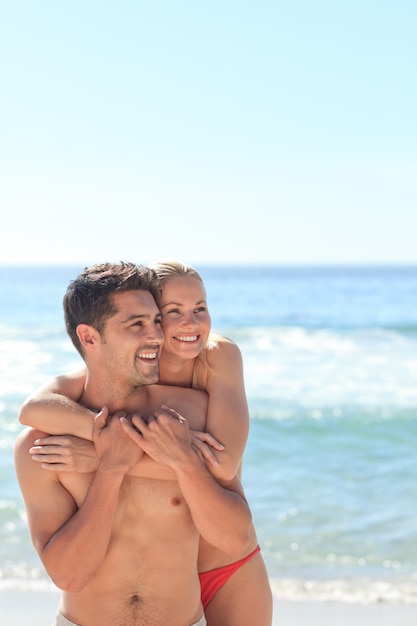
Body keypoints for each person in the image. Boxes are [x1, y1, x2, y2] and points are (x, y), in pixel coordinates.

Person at [19, 260, 273, 626]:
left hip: (209, 586)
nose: (158, 334)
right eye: (142, 322)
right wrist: (110, 459)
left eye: (155, 321)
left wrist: (111, 456)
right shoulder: (46, 440)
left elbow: (230, 513)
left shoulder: (202, 401)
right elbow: (69, 576)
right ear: (89, 337)